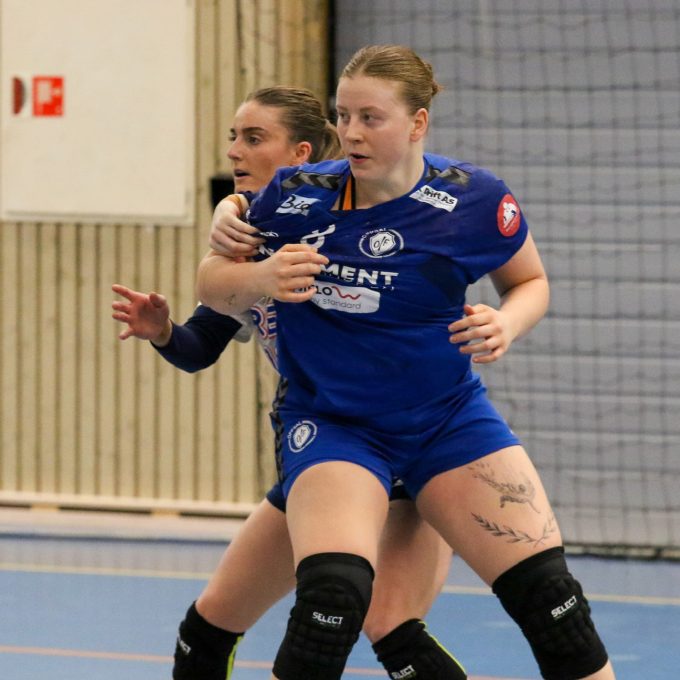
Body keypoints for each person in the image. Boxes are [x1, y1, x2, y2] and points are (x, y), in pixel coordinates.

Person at [197, 46, 617, 680]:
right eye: (344, 116)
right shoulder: (295, 197)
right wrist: (256, 270)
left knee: (555, 607)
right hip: (337, 427)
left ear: (418, 122)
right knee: (330, 604)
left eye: (371, 117)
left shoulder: (473, 199)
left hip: (445, 421)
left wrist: (507, 322)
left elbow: (529, 282)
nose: (352, 133)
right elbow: (212, 286)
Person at [112, 86, 465, 679]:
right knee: (207, 628)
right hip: (326, 459)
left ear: (301, 154)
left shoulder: (355, 223)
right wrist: (164, 331)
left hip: (404, 453)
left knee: (390, 628)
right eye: (233, 137)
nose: (234, 151)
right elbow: (201, 345)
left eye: (254, 138)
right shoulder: (254, 243)